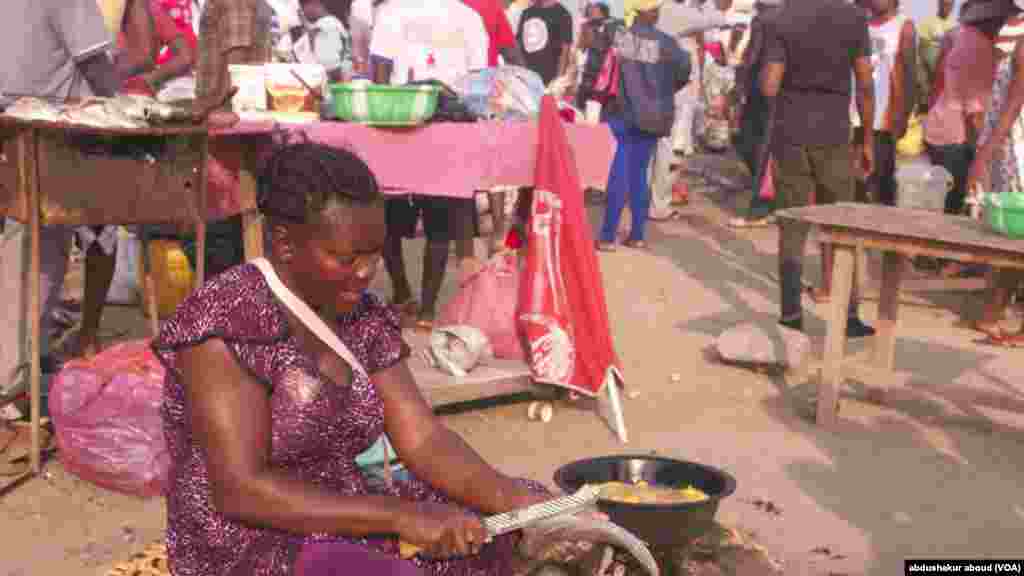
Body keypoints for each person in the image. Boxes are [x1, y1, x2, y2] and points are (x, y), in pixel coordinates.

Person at [151, 141, 550, 576]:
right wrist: (399, 516)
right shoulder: (225, 321)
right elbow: (241, 489)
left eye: (374, 253)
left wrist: (521, 503)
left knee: (516, 524)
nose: (365, 271)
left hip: (345, 509)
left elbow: (423, 440)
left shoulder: (362, 315)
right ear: (285, 244)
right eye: (345, 258)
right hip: (247, 540)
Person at [0, 0, 122, 374]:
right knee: (36, 256)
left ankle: (20, 365)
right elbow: (95, 66)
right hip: (39, 135)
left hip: (18, 127)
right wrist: (124, 119)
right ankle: (13, 382)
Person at [74, 0, 199, 359]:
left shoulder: (132, 6)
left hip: (118, 119)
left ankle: (89, 331)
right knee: (90, 226)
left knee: (101, 226)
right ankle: (84, 332)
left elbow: (167, 53)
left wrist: (140, 76)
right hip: (95, 112)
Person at [370, 0, 489, 329]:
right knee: (440, 224)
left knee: (388, 220)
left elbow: (379, 75)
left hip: (400, 127)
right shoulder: (469, 17)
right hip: (450, 133)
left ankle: (403, 292)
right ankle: (426, 310)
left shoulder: (390, 11)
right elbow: (478, 85)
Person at [761, 0, 877, 337]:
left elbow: (770, 85)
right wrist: (867, 139)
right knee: (842, 227)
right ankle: (850, 316)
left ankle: (791, 315)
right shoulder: (854, 18)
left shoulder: (781, 18)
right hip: (835, 136)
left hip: (791, 135)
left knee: (793, 228)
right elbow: (866, 84)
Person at [181, 0, 274, 278]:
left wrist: (220, 111)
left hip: (226, 128)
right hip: (227, 124)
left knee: (221, 232)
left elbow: (239, 69)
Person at [596, 0, 690, 251]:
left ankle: (607, 237)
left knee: (619, 172)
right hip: (653, 117)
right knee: (638, 174)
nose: (659, 11)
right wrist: (660, 91)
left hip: (622, 114)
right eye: (655, 7)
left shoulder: (620, 38)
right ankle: (637, 235)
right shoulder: (668, 44)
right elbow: (683, 74)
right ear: (646, 11)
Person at [967, 28, 1024, 346]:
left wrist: (982, 157)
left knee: (1018, 238)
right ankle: (991, 312)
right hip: (1009, 150)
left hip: (1016, 153)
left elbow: (1015, 102)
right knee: (1013, 238)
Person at [852, 0, 917, 208]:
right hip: (855, 115)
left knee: (880, 184)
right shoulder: (860, 24)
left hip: (884, 118)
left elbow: (909, 74)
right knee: (855, 182)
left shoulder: (904, 26)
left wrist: (905, 115)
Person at [728, 0, 782, 228]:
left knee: (757, 147)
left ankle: (761, 208)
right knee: (766, 149)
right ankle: (772, 202)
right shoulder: (781, 18)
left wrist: (738, 88)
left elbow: (753, 56)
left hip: (762, 92)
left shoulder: (763, 20)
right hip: (777, 93)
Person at [517, 0, 574, 86]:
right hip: (525, 78)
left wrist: (557, 82)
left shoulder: (563, 14)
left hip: (548, 81)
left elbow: (565, 52)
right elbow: (518, 46)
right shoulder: (526, 13)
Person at [295, 0, 354, 82]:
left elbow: (331, 66)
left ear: (314, 2)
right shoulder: (327, 23)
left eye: (303, 7)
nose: (303, 12)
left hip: (332, 84)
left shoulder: (328, 23)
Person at [918, 0, 957, 113]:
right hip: (932, 67)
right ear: (939, 3)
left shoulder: (955, 25)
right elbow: (923, 49)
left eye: (950, 5)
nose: (947, 7)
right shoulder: (927, 23)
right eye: (944, 4)